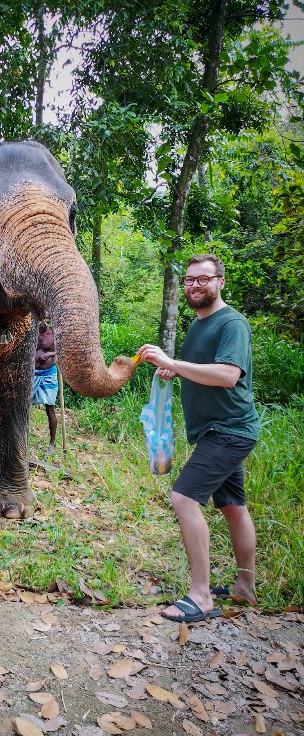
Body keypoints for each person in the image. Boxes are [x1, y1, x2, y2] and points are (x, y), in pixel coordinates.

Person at [138, 253, 260, 623]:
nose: (195, 285)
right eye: (190, 279)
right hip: (216, 430)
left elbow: (226, 375)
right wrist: (174, 373)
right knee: (233, 507)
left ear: (220, 281)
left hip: (229, 431)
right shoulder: (197, 325)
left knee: (183, 497)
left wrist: (173, 363)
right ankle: (245, 587)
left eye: (204, 279)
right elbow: (203, 371)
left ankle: (201, 597)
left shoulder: (231, 323)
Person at [33, 320, 58, 453]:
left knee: (50, 409)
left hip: (49, 374)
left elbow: (62, 350)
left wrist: (50, 354)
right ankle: (22, 439)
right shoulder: (31, 330)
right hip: (31, 373)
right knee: (23, 406)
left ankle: (52, 444)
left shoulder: (54, 333)